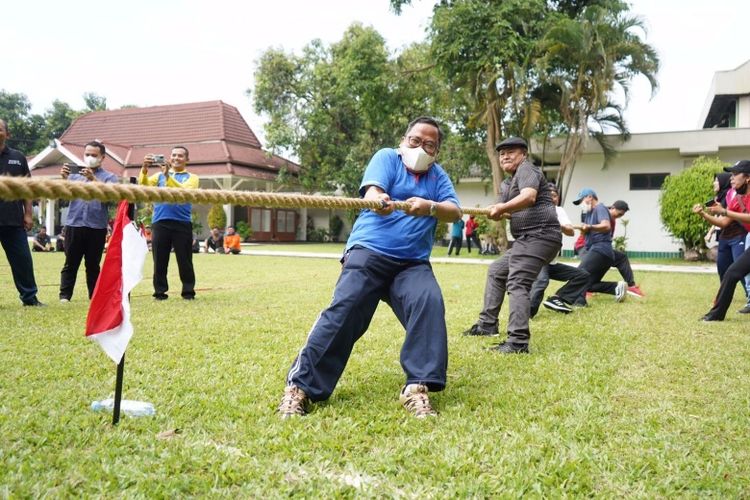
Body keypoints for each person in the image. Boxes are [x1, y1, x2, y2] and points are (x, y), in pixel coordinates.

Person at [278, 116, 462, 419]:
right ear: (404, 141)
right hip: (369, 252)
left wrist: (430, 206)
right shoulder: (387, 158)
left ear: (437, 151)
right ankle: (300, 388)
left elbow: (454, 211)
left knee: (428, 302)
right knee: (346, 309)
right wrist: (379, 199)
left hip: (412, 263)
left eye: (430, 145)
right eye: (415, 141)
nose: (421, 148)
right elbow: (372, 191)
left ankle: (417, 388)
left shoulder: (438, 176)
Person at [461, 137, 561, 353]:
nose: (504, 156)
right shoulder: (508, 183)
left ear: (523, 154)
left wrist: (502, 208)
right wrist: (498, 211)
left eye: (511, 152)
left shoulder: (527, 169)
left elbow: (529, 197)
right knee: (497, 270)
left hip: (541, 235)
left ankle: (517, 342)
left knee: (517, 282)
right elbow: (505, 211)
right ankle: (487, 325)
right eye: (501, 153)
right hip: (526, 239)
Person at [58, 141, 119, 302]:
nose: (90, 157)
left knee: (93, 265)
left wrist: (93, 179)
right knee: (70, 263)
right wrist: (64, 179)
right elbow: (64, 197)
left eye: (94, 155)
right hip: (74, 224)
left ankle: (94, 296)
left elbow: (111, 198)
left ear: (102, 157)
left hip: (96, 226)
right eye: (87, 154)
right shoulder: (74, 175)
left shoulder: (110, 177)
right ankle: (65, 296)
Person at [139, 147, 199, 300]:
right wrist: (144, 169)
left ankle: (188, 292)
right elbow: (144, 187)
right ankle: (159, 292)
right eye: (173, 155)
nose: (176, 158)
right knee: (159, 259)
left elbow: (183, 193)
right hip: (160, 221)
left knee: (185, 260)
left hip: (182, 222)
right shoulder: (158, 176)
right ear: (169, 157)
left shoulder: (192, 177)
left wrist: (168, 177)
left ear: (187, 159)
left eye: (180, 156)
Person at [695, 160, 750, 321]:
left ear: (747, 178)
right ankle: (716, 315)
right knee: (732, 273)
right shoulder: (736, 199)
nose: (731, 178)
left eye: (735, 174)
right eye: (731, 175)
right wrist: (704, 215)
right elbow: (724, 223)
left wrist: (725, 211)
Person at [0, 118, 44, 306]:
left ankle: (29, 297)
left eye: (0, 129)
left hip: (12, 219)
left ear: (7, 134)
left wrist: (28, 214)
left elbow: (28, 188)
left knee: (23, 261)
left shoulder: (18, 157)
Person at [557, 188, 627, 305]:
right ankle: (615, 287)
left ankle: (558, 298)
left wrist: (589, 226)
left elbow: (606, 226)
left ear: (590, 197)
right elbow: (587, 231)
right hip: (602, 253)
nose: (580, 204)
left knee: (579, 274)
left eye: (581, 201)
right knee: (588, 283)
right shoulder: (589, 213)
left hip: (600, 249)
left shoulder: (600, 208)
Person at [531, 184, 590, 316]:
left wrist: (557, 223)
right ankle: (527, 313)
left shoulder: (559, 211)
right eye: (549, 195)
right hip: (538, 259)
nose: (552, 198)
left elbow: (570, 231)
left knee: (582, 275)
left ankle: (557, 298)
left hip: (551, 262)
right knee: (541, 281)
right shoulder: (535, 209)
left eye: (555, 195)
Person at [607, 200, 645, 298]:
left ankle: (631, 286)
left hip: (604, 248)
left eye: (621, 215)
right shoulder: (603, 215)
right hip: (588, 247)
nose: (619, 217)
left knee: (620, 258)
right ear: (613, 208)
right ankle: (585, 288)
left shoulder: (612, 219)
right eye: (619, 214)